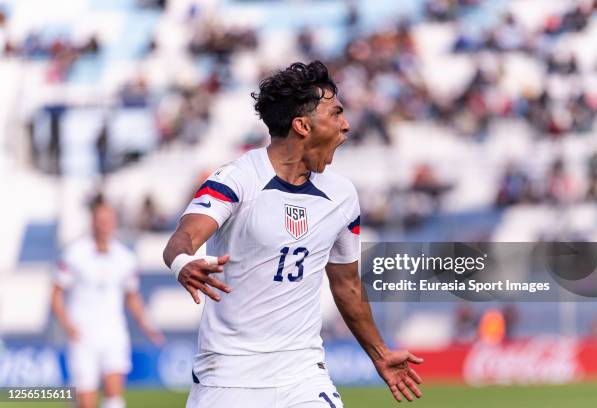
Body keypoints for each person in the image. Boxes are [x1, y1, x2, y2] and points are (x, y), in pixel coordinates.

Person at [163, 60, 423, 407]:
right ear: (302, 125)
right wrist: (183, 262)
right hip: (229, 376)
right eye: (336, 114)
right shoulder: (236, 179)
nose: (346, 126)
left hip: (302, 374)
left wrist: (379, 354)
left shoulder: (343, 196)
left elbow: (346, 284)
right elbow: (185, 236)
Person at [51, 195, 165, 408]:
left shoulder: (125, 257)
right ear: (92, 221)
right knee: (85, 401)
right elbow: (56, 294)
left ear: (114, 221)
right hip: (82, 335)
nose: (104, 224)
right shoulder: (74, 254)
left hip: (113, 332)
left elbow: (132, 297)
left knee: (114, 396)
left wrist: (148, 326)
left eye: (108, 219)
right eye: (100, 219)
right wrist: (68, 325)